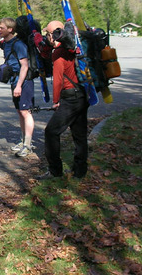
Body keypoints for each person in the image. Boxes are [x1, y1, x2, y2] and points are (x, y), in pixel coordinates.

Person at [38, 20, 90, 180]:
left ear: (53, 35)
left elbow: (58, 80)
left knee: (51, 132)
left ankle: (55, 171)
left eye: (48, 34)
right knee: (79, 135)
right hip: (82, 94)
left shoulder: (58, 53)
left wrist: (55, 101)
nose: (47, 38)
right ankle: (80, 171)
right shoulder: (74, 48)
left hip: (69, 98)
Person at [0, 17, 34, 157]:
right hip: (15, 81)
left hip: (24, 81)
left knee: (26, 112)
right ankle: (23, 141)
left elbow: (24, 66)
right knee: (20, 112)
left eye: (1, 27)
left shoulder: (19, 44)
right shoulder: (6, 44)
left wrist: (19, 86)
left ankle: (28, 145)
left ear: (10, 29)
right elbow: (10, 66)